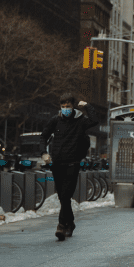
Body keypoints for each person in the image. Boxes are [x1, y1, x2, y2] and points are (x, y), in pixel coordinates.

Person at [40, 93, 101, 241]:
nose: (65, 109)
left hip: (72, 164)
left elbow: (95, 120)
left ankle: (61, 225)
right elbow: (44, 136)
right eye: (63, 106)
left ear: (73, 106)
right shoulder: (56, 120)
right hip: (57, 164)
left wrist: (87, 106)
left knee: (66, 195)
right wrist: (43, 153)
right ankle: (71, 223)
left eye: (68, 106)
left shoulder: (81, 121)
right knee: (63, 197)